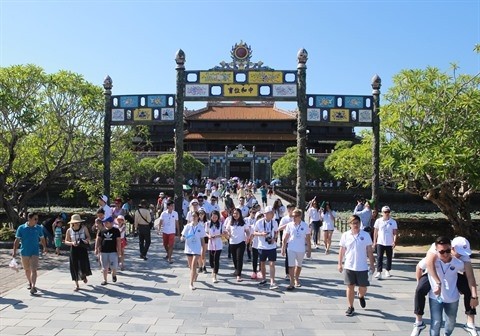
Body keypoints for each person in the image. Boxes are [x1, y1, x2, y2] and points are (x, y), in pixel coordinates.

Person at [410, 236, 478, 336]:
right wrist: (426, 283)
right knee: (420, 289)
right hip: (432, 273)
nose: (460, 256)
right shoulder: (436, 248)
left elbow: (470, 277)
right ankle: (418, 322)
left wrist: (474, 296)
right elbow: (426, 265)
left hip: (452, 274)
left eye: (448, 251)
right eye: (458, 253)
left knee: (469, 289)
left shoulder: (462, 258)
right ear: (453, 248)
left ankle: (470, 323)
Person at [422, 236, 464, 336]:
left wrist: (463, 287)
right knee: (436, 322)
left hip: (452, 297)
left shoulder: (458, 263)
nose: (445, 254)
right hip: (435, 297)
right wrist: (422, 286)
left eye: (448, 251)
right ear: (436, 250)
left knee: (451, 322)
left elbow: (467, 273)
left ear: (451, 249)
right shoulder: (431, 261)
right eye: (441, 252)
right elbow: (419, 267)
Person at [338, 215, 375, 316]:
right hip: (349, 265)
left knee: (363, 287)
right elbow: (342, 250)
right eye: (353, 223)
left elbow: (369, 251)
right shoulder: (345, 235)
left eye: (357, 223)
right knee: (350, 286)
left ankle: (361, 296)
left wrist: (372, 264)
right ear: (350, 224)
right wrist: (339, 263)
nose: (355, 225)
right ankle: (350, 307)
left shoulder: (365, 235)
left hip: (362, 266)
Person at [12, 212, 47, 295]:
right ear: (29, 219)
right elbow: (17, 241)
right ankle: (30, 282)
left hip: (35, 252)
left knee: (34, 269)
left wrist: (45, 247)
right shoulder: (21, 228)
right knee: (27, 269)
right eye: (35, 219)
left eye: (37, 219)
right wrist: (14, 251)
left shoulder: (38, 228)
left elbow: (42, 238)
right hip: (24, 252)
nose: (36, 220)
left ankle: (33, 286)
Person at [281, 209, 311, 290]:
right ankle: (291, 282)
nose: (293, 218)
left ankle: (296, 278)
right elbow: (286, 237)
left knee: (299, 265)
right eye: (292, 216)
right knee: (291, 265)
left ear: (300, 216)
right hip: (291, 247)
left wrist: (309, 250)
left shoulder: (305, 225)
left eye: (295, 216)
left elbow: (308, 239)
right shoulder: (289, 225)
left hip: (301, 248)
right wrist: (283, 248)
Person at [253, 205, 279, 290]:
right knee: (262, 263)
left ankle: (272, 281)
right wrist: (261, 234)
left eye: (272, 213)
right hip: (262, 245)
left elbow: (276, 232)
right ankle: (264, 279)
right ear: (265, 214)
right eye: (269, 213)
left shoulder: (274, 222)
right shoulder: (259, 222)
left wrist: (274, 239)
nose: (271, 215)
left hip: (271, 246)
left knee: (272, 264)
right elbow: (254, 232)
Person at [65, 214, 92, 291]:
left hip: (82, 248)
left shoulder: (84, 228)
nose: (77, 224)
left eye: (78, 222)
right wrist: (72, 243)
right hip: (74, 249)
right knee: (74, 266)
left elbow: (89, 237)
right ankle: (77, 284)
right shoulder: (69, 230)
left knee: (83, 264)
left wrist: (86, 241)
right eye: (76, 222)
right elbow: (66, 241)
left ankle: (84, 275)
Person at [181, 210, 206, 290]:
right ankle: (195, 274)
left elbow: (202, 239)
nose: (194, 217)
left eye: (195, 216)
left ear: (198, 217)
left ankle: (191, 283)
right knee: (190, 266)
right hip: (189, 248)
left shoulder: (201, 227)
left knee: (194, 265)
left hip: (197, 248)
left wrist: (203, 248)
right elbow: (183, 236)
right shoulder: (188, 226)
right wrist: (182, 238)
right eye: (192, 216)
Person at [225, 208, 250, 282]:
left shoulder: (243, 222)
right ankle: (236, 269)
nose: (235, 215)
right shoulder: (230, 221)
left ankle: (239, 275)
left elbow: (247, 230)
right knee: (234, 258)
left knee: (239, 258)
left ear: (240, 214)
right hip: (232, 242)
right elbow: (227, 230)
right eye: (234, 213)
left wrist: (248, 237)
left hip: (241, 242)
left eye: (237, 213)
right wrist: (227, 235)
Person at [373, 205, 398, 279]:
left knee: (389, 257)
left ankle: (387, 270)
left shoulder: (393, 221)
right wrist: (374, 241)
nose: (387, 213)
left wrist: (394, 241)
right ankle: (379, 271)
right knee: (379, 257)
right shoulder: (378, 221)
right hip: (380, 241)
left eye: (388, 212)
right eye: (385, 212)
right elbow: (375, 232)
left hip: (389, 242)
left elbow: (395, 232)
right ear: (382, 213)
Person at [95, 216, 121, 285]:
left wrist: (119, 251)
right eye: (104, 222)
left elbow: (118, 241)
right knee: (104, 267)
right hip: (103, 251)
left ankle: (114, 275)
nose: (105, 224)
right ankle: (105, 280)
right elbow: (98, 239)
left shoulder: (116, 230)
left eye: (107, 222)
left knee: (113, 266)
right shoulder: (102, 230)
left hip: (113, 251)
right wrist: (96, 248)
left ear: (111, 223)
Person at [205, 210, 226, 283]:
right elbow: (206, 232)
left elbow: (224, 234)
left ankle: (214, 275)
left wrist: (217, 236)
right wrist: (209, 236)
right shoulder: (207, 224)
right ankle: (213, 269)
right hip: (210, 244)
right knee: (211, 260)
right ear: (211, 216)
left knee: (216, 259)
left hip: (218, 244)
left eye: (216, 217)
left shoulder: (220, 224)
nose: (214, 218)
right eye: (213, 217)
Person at [158, 199, 179, 264]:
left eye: (173, 206)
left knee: (171, 245)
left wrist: (178, 231)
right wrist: (159, 229)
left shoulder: (175, 213)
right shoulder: (163, 213)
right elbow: (160, 222)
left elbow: (177, 223)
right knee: (165, 244)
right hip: (165, 231)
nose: (172, 207)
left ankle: (169, 258)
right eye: (171, 206)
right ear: (168, 206)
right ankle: (168, 254)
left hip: (172, 231)